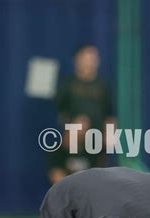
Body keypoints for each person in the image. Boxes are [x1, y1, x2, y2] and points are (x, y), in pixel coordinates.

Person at [49, 45, 115, 184]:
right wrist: (73, 129)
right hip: (72, 139)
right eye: (87, 57)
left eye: (94, 58)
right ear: (77, 59)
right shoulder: (67, 84)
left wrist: (109, 135)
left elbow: (110, 115)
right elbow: (59, 114)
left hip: (96, 140)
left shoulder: (103, 86)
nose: (91, 61)